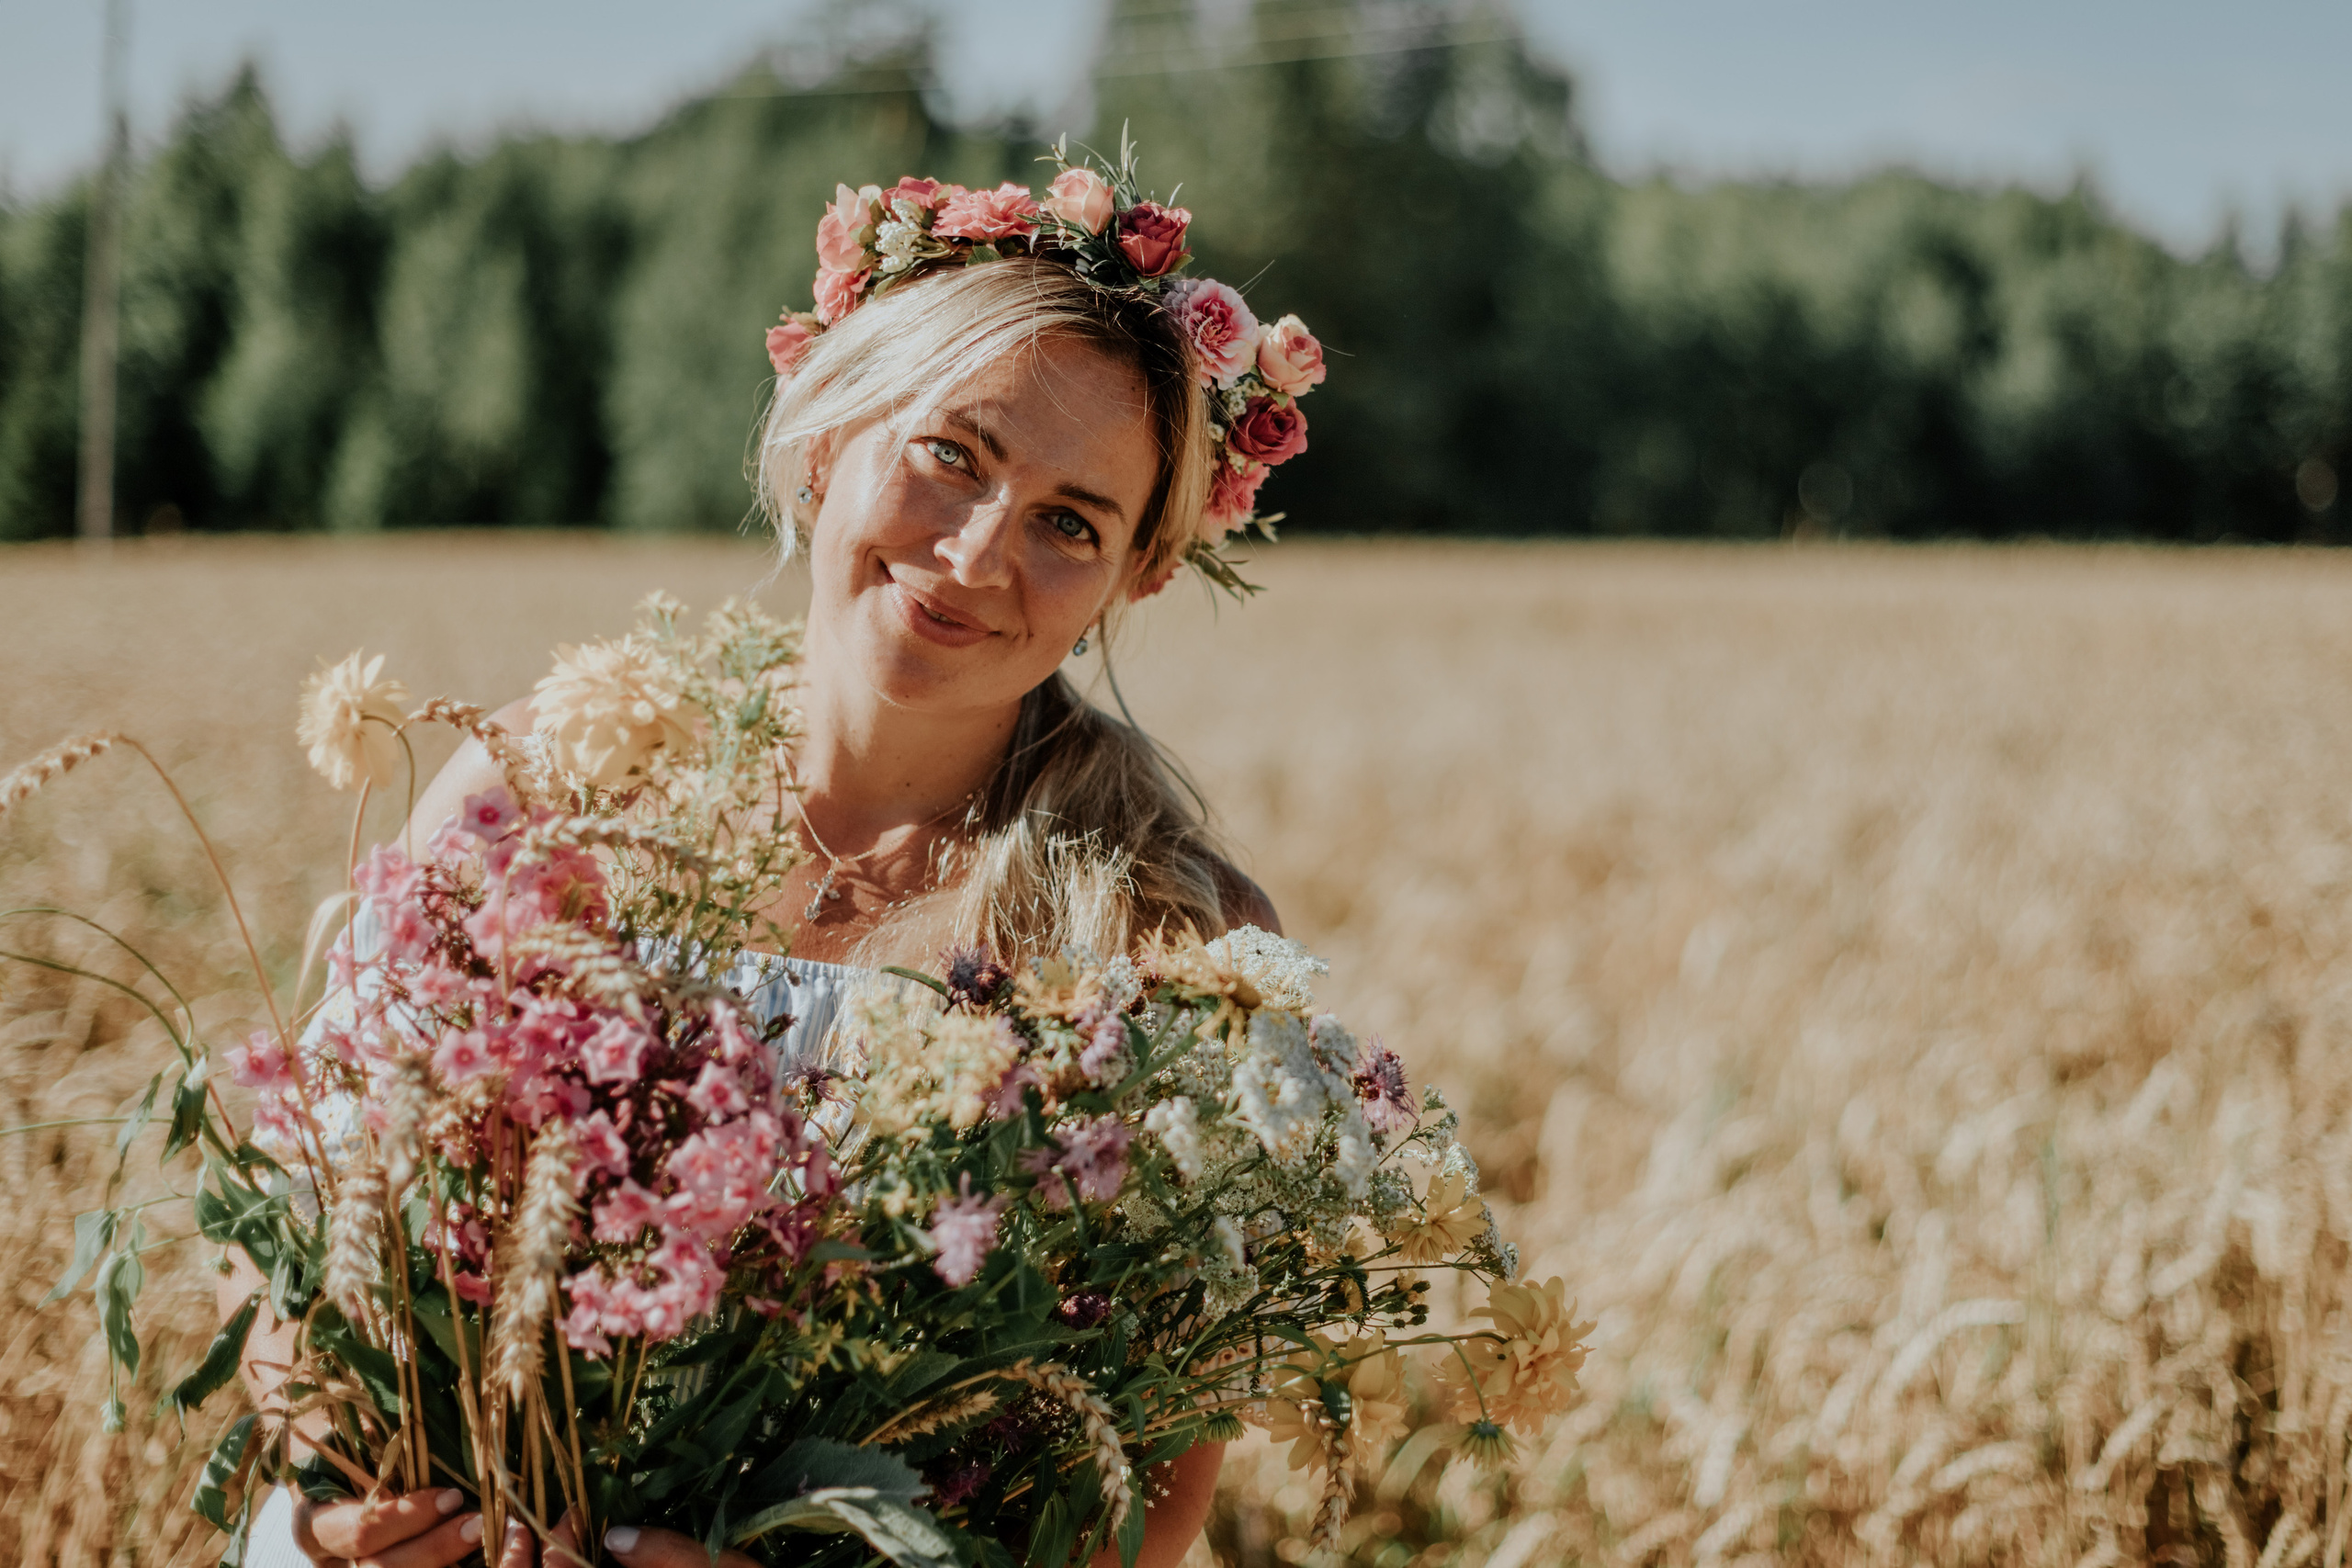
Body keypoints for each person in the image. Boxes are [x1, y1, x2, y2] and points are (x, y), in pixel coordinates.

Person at [231, 154, 1324, 1568]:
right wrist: (339, 1518)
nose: (980, 552)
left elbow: (1147, 1508)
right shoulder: (536, 789)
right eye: (953, 452)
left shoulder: (1171, 930)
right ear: (828, 440)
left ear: (1136, 575)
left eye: (1070, 521)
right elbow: (304, 1276)